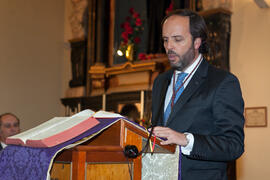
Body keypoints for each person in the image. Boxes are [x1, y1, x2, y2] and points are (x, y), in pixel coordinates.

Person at [151, 9, 245, 180]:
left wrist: (186, 140)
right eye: (165, 40)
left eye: (177, 39)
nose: (169, 47)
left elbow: (233, 145)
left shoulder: (222, 82)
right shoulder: (160, 82)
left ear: (197, 42)